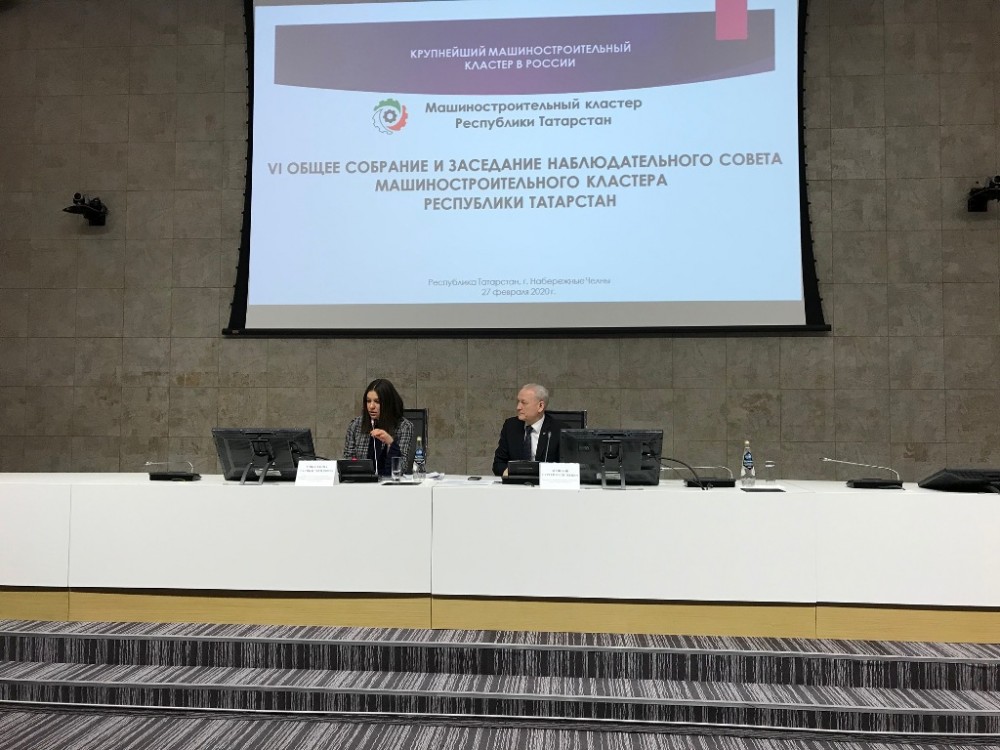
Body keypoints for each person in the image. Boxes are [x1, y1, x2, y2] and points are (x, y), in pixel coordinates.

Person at [344, 378, 415, 477]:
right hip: (361, 482)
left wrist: (391, 443)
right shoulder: (356, 425)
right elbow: (347, 463)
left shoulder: (404, 427)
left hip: (390, 484)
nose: (371, 406)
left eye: (377, 402)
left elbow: (401, 468)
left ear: (388, 403)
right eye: (368, 401)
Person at [492, 383, 564, 476]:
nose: (518, 407)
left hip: (546, 483)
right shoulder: (511, 426)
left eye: (524, 403)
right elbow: (498, 464)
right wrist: (508, 472)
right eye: (518, 402)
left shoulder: (559, 430)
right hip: (516, 483)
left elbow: (568, 468)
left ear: (540, 406)